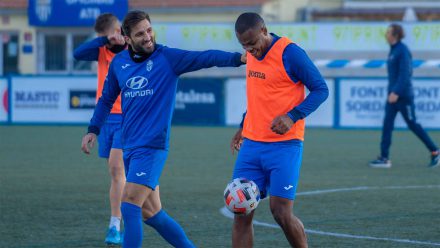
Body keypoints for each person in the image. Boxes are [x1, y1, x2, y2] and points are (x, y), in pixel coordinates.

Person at [81, 10, 245, 248]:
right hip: (130, 146)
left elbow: (204, 57)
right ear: (128, 39)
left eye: (149, 30)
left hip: (152, 147)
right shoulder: (119, 63)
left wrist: (238, 58)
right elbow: (106, 100)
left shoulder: (167, 58)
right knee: (151, 213)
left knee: (129, 204)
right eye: (140, 34)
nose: (148, 37)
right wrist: (93, 129)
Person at [230, 12, 329, 248]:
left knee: (281, 213)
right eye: (244, 45)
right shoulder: (251, 53)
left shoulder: (290, 53)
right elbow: (258, 95)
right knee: (242, 212)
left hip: (285, 146)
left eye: (252, 44)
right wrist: (243, 126)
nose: (249, 50)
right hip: (252, 146)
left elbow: (321, 89)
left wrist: (293, 116)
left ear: (264, 31)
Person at [74, 13, 127, 245]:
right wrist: (103, 40)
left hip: (128, 118)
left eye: (117, 31)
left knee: (117, 170)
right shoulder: (101, 50)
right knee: (117, 174)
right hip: (105, 120)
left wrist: (122, 40)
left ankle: (114, 224)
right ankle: (131, 211)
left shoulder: (130, 49)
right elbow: (77, 54)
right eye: (110, 34)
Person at [369, 23, 440, 169]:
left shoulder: (402, 50)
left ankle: (435, 151)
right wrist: (392, 93)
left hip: (402, 96)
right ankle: (384, 158)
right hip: (392, 96)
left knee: (413, 124)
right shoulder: (393, 50)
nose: (386, 35)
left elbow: (406, 74)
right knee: (387, 126)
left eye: (388, 32)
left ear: (395, 35)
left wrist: (396, 92)